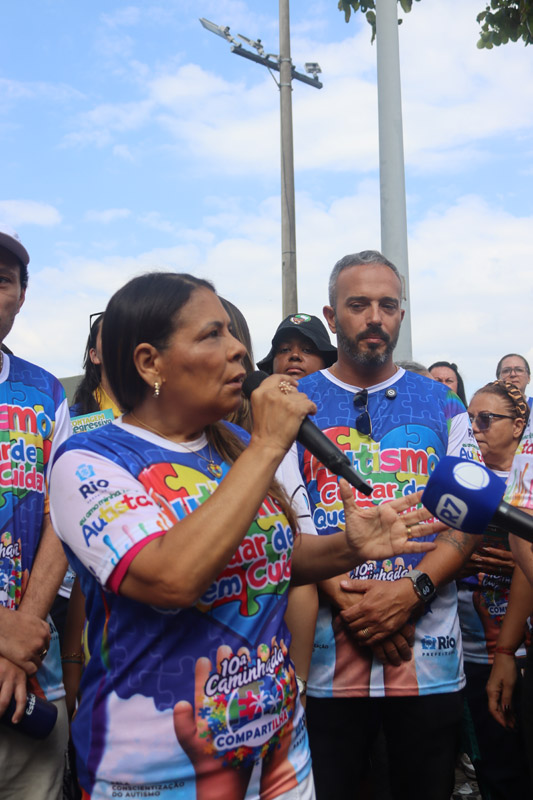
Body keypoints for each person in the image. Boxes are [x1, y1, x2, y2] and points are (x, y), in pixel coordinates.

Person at [48, 271, 441, 800]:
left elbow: (273, 556)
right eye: (213, 335)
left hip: (278, 754)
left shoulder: (236, 443)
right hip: (158, 769)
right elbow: (171, 578)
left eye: (233, 333)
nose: (238, 350)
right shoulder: (90, 460)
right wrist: (266, 447)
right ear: (149, 362)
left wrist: (349, 548)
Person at [294, 251, 481, 800]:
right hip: (327, 666)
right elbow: (281, 524)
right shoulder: (295, 406)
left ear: (402, 314)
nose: (375, 317)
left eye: (388, 305)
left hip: (429, 659)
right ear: (331, 316)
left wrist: (412, 591)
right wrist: (356, 605)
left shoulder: (444, 405)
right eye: (359, 305)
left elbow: (467, 522)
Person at [0, 225, 72, 800]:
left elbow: (60, 515)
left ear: (21, 296)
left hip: (32, 680)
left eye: (2, 282)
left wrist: (24, 627)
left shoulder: (46, 393)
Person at [457, 381, 530, 798]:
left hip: (524, 651)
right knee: (498, 774)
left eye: (486, 419)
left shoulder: (528, 480)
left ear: (519, 425)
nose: (475, 428)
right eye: (470, 420)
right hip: (478, 652)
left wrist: (521, 557)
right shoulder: (463, 481)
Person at [257, 313, 336, 377]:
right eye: (285, 349)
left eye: (307, 350)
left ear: (326, 363)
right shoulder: (255, 396)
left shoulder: (344, 396)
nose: (295, 355)